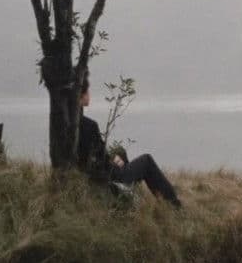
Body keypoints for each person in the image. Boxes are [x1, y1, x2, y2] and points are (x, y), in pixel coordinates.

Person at [76, 79, 182, 208]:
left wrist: (112, 158)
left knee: (119, 151)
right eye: (87, 91)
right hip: (105, 177)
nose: (89, 94)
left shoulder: (68, 124)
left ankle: (130, 194)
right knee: (146, 161)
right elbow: (100, 158)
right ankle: (174, 205)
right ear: (81, 95)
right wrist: (113, 164)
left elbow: (94, 154)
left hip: (89, 173)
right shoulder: (89, 125)